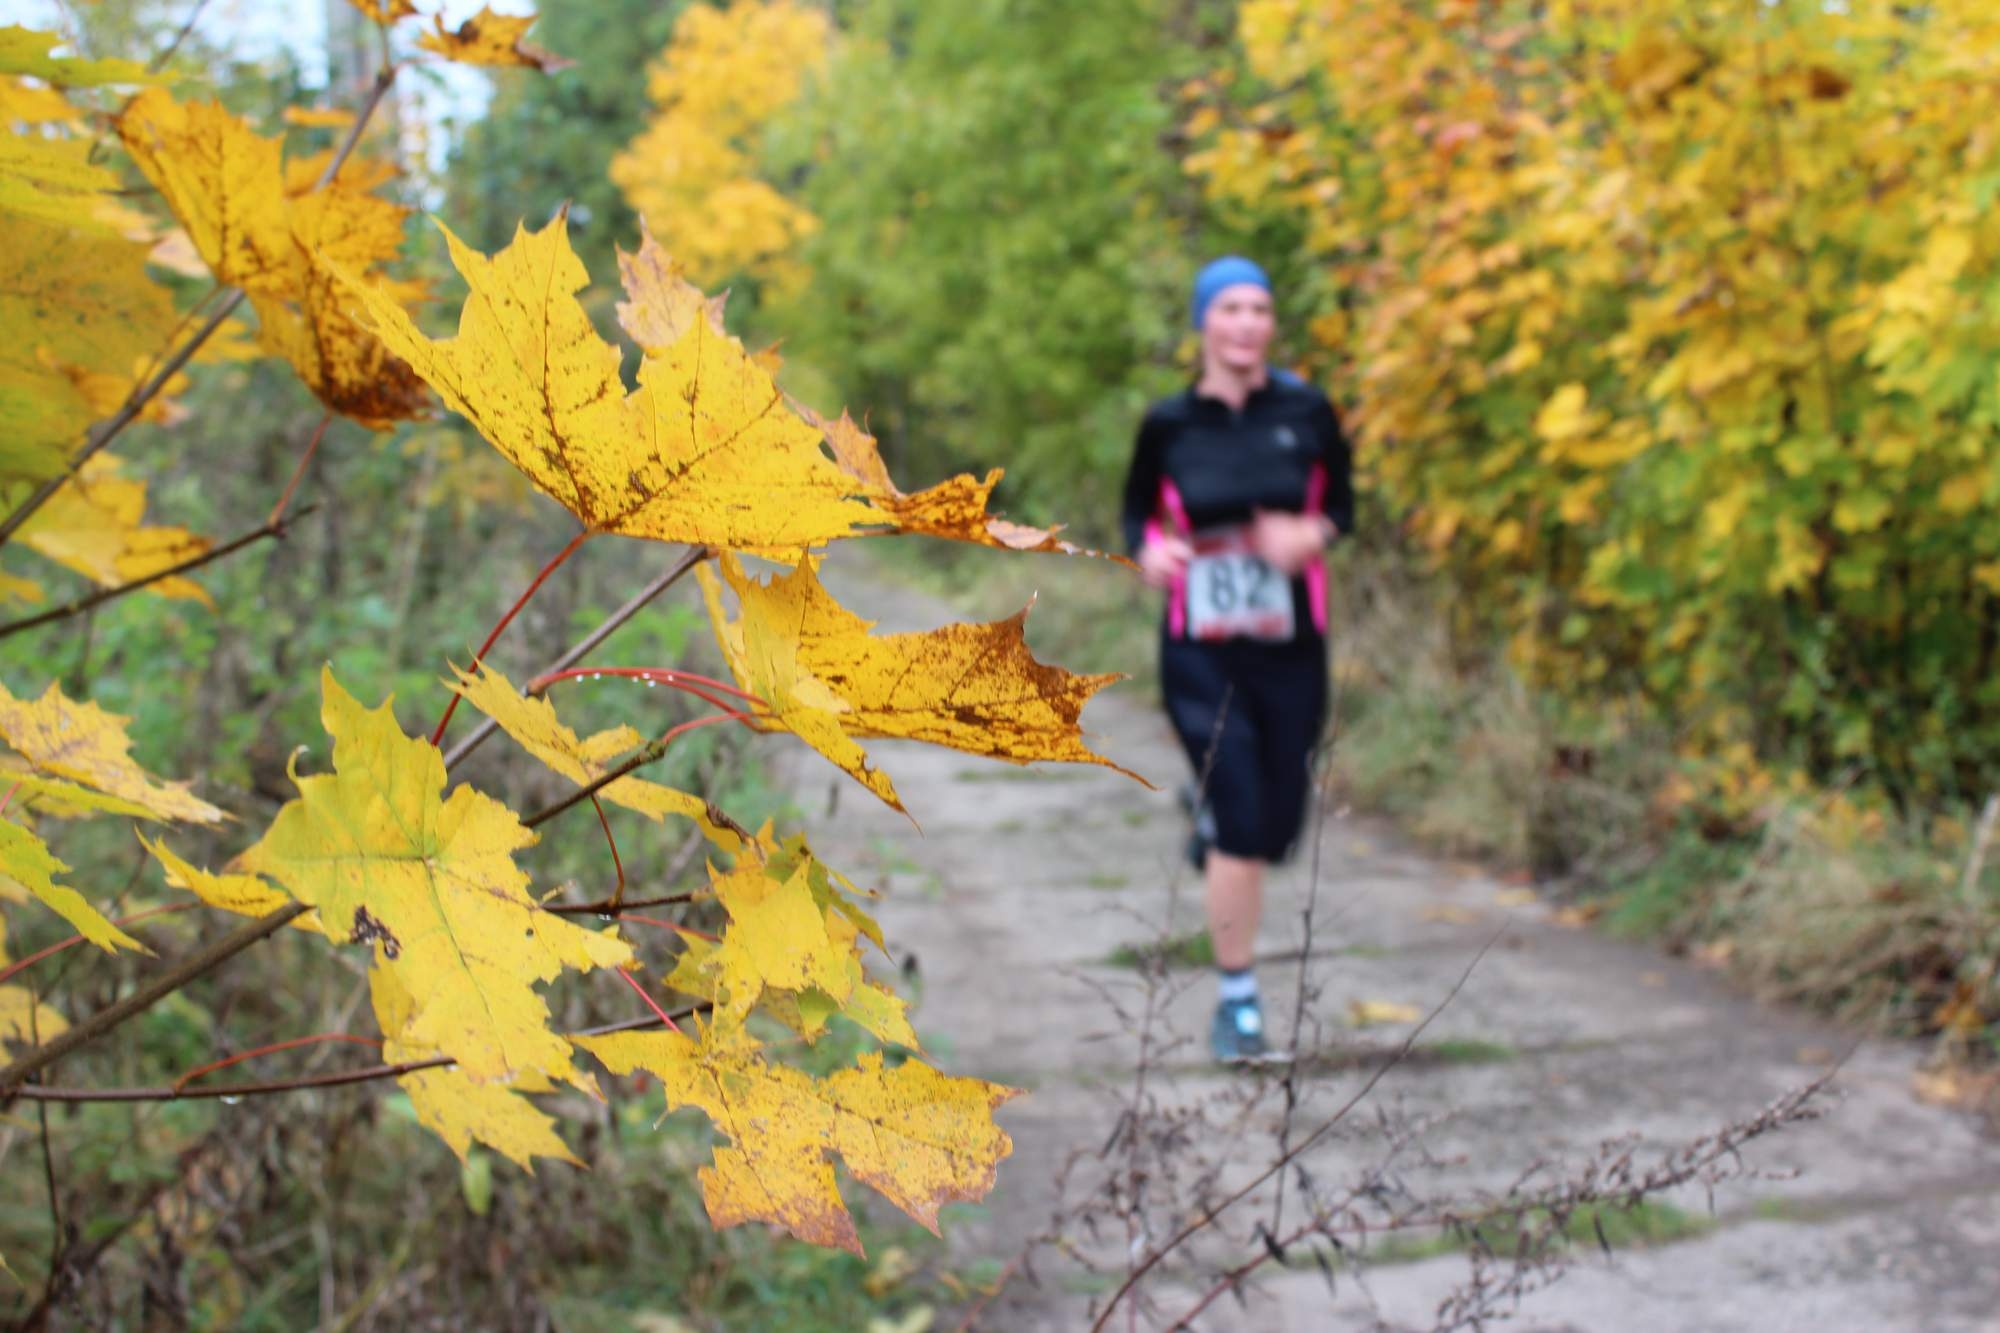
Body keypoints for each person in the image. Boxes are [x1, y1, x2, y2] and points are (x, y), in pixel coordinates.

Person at [1120, 256, 1353, 1063]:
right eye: (1231, 308)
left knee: (1278, 827)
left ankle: (1215, 820)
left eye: (1260, 308)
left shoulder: (1307, 410)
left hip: (1291, 647)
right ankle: (1238, 1002)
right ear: (1203, 323)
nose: (1248, 322)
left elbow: (1343, 506)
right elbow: (1138, 516)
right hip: (1200, 651)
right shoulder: (1169, 423)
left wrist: (1309, 533)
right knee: (1245, 825)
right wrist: (1150, 553)